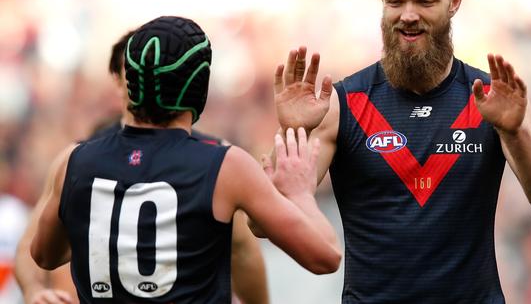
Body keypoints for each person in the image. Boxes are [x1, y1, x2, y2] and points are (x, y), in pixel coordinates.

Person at [271, 0, 531, 303]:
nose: (408, 15)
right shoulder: (341, 104)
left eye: (425, 1)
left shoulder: (493, 100)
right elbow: (264, 221)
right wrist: (294, 131)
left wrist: (515, 132)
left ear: (454, 2)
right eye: (395, 1)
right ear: (382, 1)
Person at [29, 16, 341, 303]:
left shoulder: (76, 160)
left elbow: (44, 255)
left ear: (130, 82)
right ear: (199, 86)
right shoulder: (225, 166)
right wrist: (300, 195)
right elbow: (325, 256)